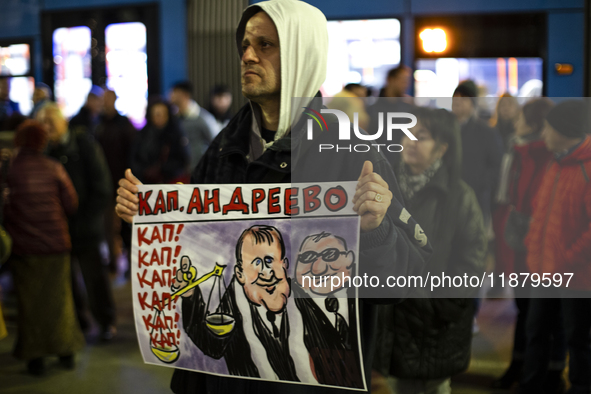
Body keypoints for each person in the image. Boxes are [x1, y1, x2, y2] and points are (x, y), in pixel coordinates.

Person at [116, 1, 432, 393]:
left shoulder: (353, 154)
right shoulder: (222, 149)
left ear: (303, 56)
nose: (248, 55)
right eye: (246, 44)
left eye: (265, 45)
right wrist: (153, 223)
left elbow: (401, 286)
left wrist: (377, 233)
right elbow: (196, 271)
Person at [373, 107, 487, 394]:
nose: (410, 142)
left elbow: (472, 261)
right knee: (399, 385)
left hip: (435, 322)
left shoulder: (459, 196)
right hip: (392, 319)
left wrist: (439, 305)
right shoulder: (385, 187)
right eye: (407, 134)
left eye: (421, 136)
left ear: (442, 148)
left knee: (433, 387)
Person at [491, 98, 564, 390]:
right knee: (525, 309)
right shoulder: (517, 151)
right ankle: (520, 367)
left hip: (546, 248)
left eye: (522, 116)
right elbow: (509, 197)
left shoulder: (551, 157)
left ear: (535, 125)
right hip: (521, 242)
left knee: (548, 316)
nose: (516, 120)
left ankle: (549, 375)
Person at [174, 226, 309, 382]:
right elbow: (213, 345)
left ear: (284, 265)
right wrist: (190, 296)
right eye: (256, 262)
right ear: (240, 274)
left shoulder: (304, 301)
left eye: (270, 260)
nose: (266, 271)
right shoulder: (234, 302)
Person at [4, 120, 84, 375]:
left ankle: (35, 358)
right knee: (61, 301)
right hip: (56, 245)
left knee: (30, 305)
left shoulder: (10, 170)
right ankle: (66, 352)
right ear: (42, 141)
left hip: (24, 248)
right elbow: (71, 203)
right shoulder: (54, 167)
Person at [523, 100, 591, 394]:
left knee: (578, 338)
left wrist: (566, 257)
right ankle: (534, 385)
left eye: (549, 128)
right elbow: (540, 211)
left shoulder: (587, 168)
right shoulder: (554, 161)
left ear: (566, 131)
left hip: (576, 274)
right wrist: (531, 247)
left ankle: (579, 386)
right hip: (542, 268)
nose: (545, 134)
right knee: (536, 330)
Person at [37, 102, 116, 341]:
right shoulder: (45, 152)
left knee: (95, 278)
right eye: (44, 123)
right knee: (67, 280)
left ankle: (105, 322)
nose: (47, 127)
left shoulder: (84, 145)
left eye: (52, 121)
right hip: (58, 228)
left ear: (64, 122)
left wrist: (85, 218)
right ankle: (79, 323)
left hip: (86, 226)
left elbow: (102, 186)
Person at [292, 231, 364, 388]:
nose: (318, 268)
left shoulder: (363, 286)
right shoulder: (287, 304)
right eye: (308, 258)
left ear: (349, 258)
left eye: (330, 255)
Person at [95, 89, 137, 273]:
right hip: (105, 182)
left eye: (108, 99)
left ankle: (130, 263)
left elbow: (132, 153)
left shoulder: (123, 124)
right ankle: (113, 261)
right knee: (108, 227)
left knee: (127, 225)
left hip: (122, 180)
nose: (105, 103)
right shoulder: (98, 124)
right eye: (103, 100)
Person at [451, 80, 503, 228]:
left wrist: (482, 184)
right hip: (448, 196)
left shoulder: (486, 132)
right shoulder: (443, 130)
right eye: (455, 98)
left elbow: (496, 164)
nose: (458, 102)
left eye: (463, 99)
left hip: (477, 198)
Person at [131, 97, 190, 184]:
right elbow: (134, 158)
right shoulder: (143, 134)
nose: (160, 118)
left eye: (163, 114)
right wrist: (144, 171)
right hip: (144, 182)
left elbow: (183, 160)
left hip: (169, 182)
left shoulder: (176, 134)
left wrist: (161, 169)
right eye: (156, 114)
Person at [169, 81, 218, 169]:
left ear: (185, 95)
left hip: (199, 168)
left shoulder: (203, 118)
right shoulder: (174, 118)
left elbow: (216, 142)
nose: (171, 95)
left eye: (174, 92)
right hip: (180, 170)